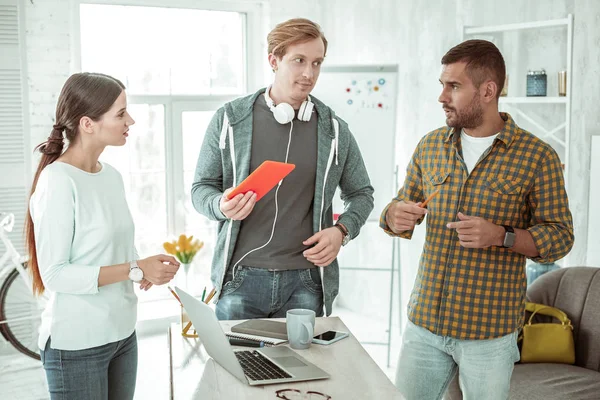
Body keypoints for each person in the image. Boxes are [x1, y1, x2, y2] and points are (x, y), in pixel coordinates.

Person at [380, 40, 574, 400]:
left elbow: (560, 237)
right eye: (442, 84)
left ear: (488, 90)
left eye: (453, 86)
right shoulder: (430, 146)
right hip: (424, 324)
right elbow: (398, 209)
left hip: (489, 334)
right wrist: (395, 214)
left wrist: (502, 235)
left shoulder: (538, 157)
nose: (442, 96)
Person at [191, 18, 374, 320]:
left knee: (303, 369)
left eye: (317, 63)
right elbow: (201, 189)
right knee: (237, 368)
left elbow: (362, 193)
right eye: (299, 61)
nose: (309, 73)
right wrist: (220, 206)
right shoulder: (230, 120)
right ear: (273, 60)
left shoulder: (334, 130)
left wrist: (342, 231)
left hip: (305, 282)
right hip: (240, 280)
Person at [25, 72, 181, 399]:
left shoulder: (110, 176)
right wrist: (133, 267)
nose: (131, 120)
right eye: (121, 113)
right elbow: (55, 274)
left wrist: (143, 270)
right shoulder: (57, 182)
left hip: (123, 334)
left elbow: (108, 248)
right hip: (77, 344)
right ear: (87, 124)